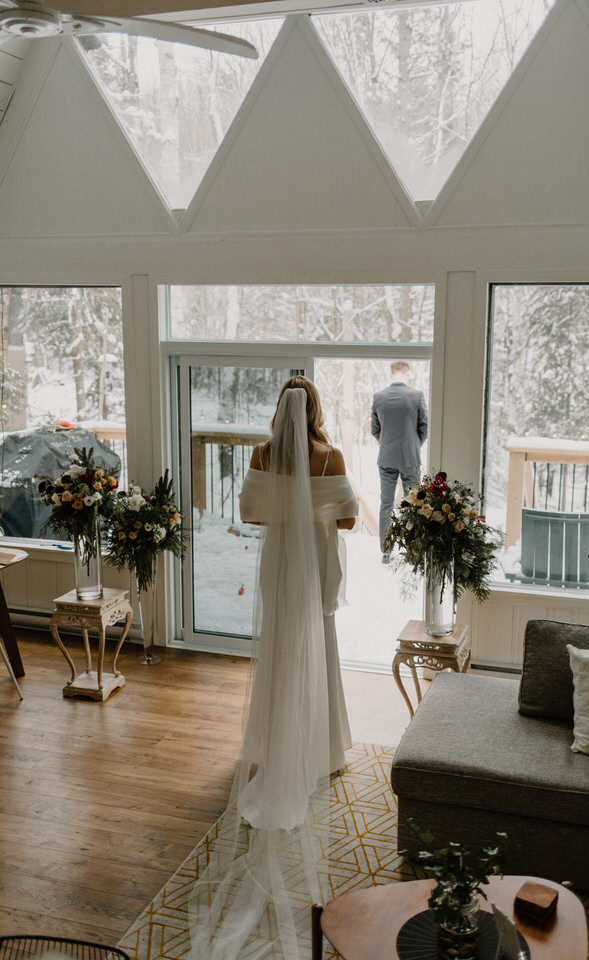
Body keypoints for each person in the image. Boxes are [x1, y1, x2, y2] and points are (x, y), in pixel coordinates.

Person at [188, 376, 358, 960]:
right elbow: (349, 521)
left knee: (283, 644)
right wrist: (317, 506)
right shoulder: (329, 454)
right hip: (314, 561)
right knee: (319, 644)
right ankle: (323, 748)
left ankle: (272, 742)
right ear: (313, 407)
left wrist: (289, 507)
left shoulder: (262, 453)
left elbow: (252, 515)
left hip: (280, 562)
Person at [371, 360, 428, 562]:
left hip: (386, 456)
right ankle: (414, 549)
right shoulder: (416, 396)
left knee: (386, 504)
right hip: (410, 457)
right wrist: (412, 446)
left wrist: (387, 443)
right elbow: (424, 429)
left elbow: (375, 430)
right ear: (407, 374)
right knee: (415, 504)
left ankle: (386, 551)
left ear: (391, 374)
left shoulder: (379, 397)